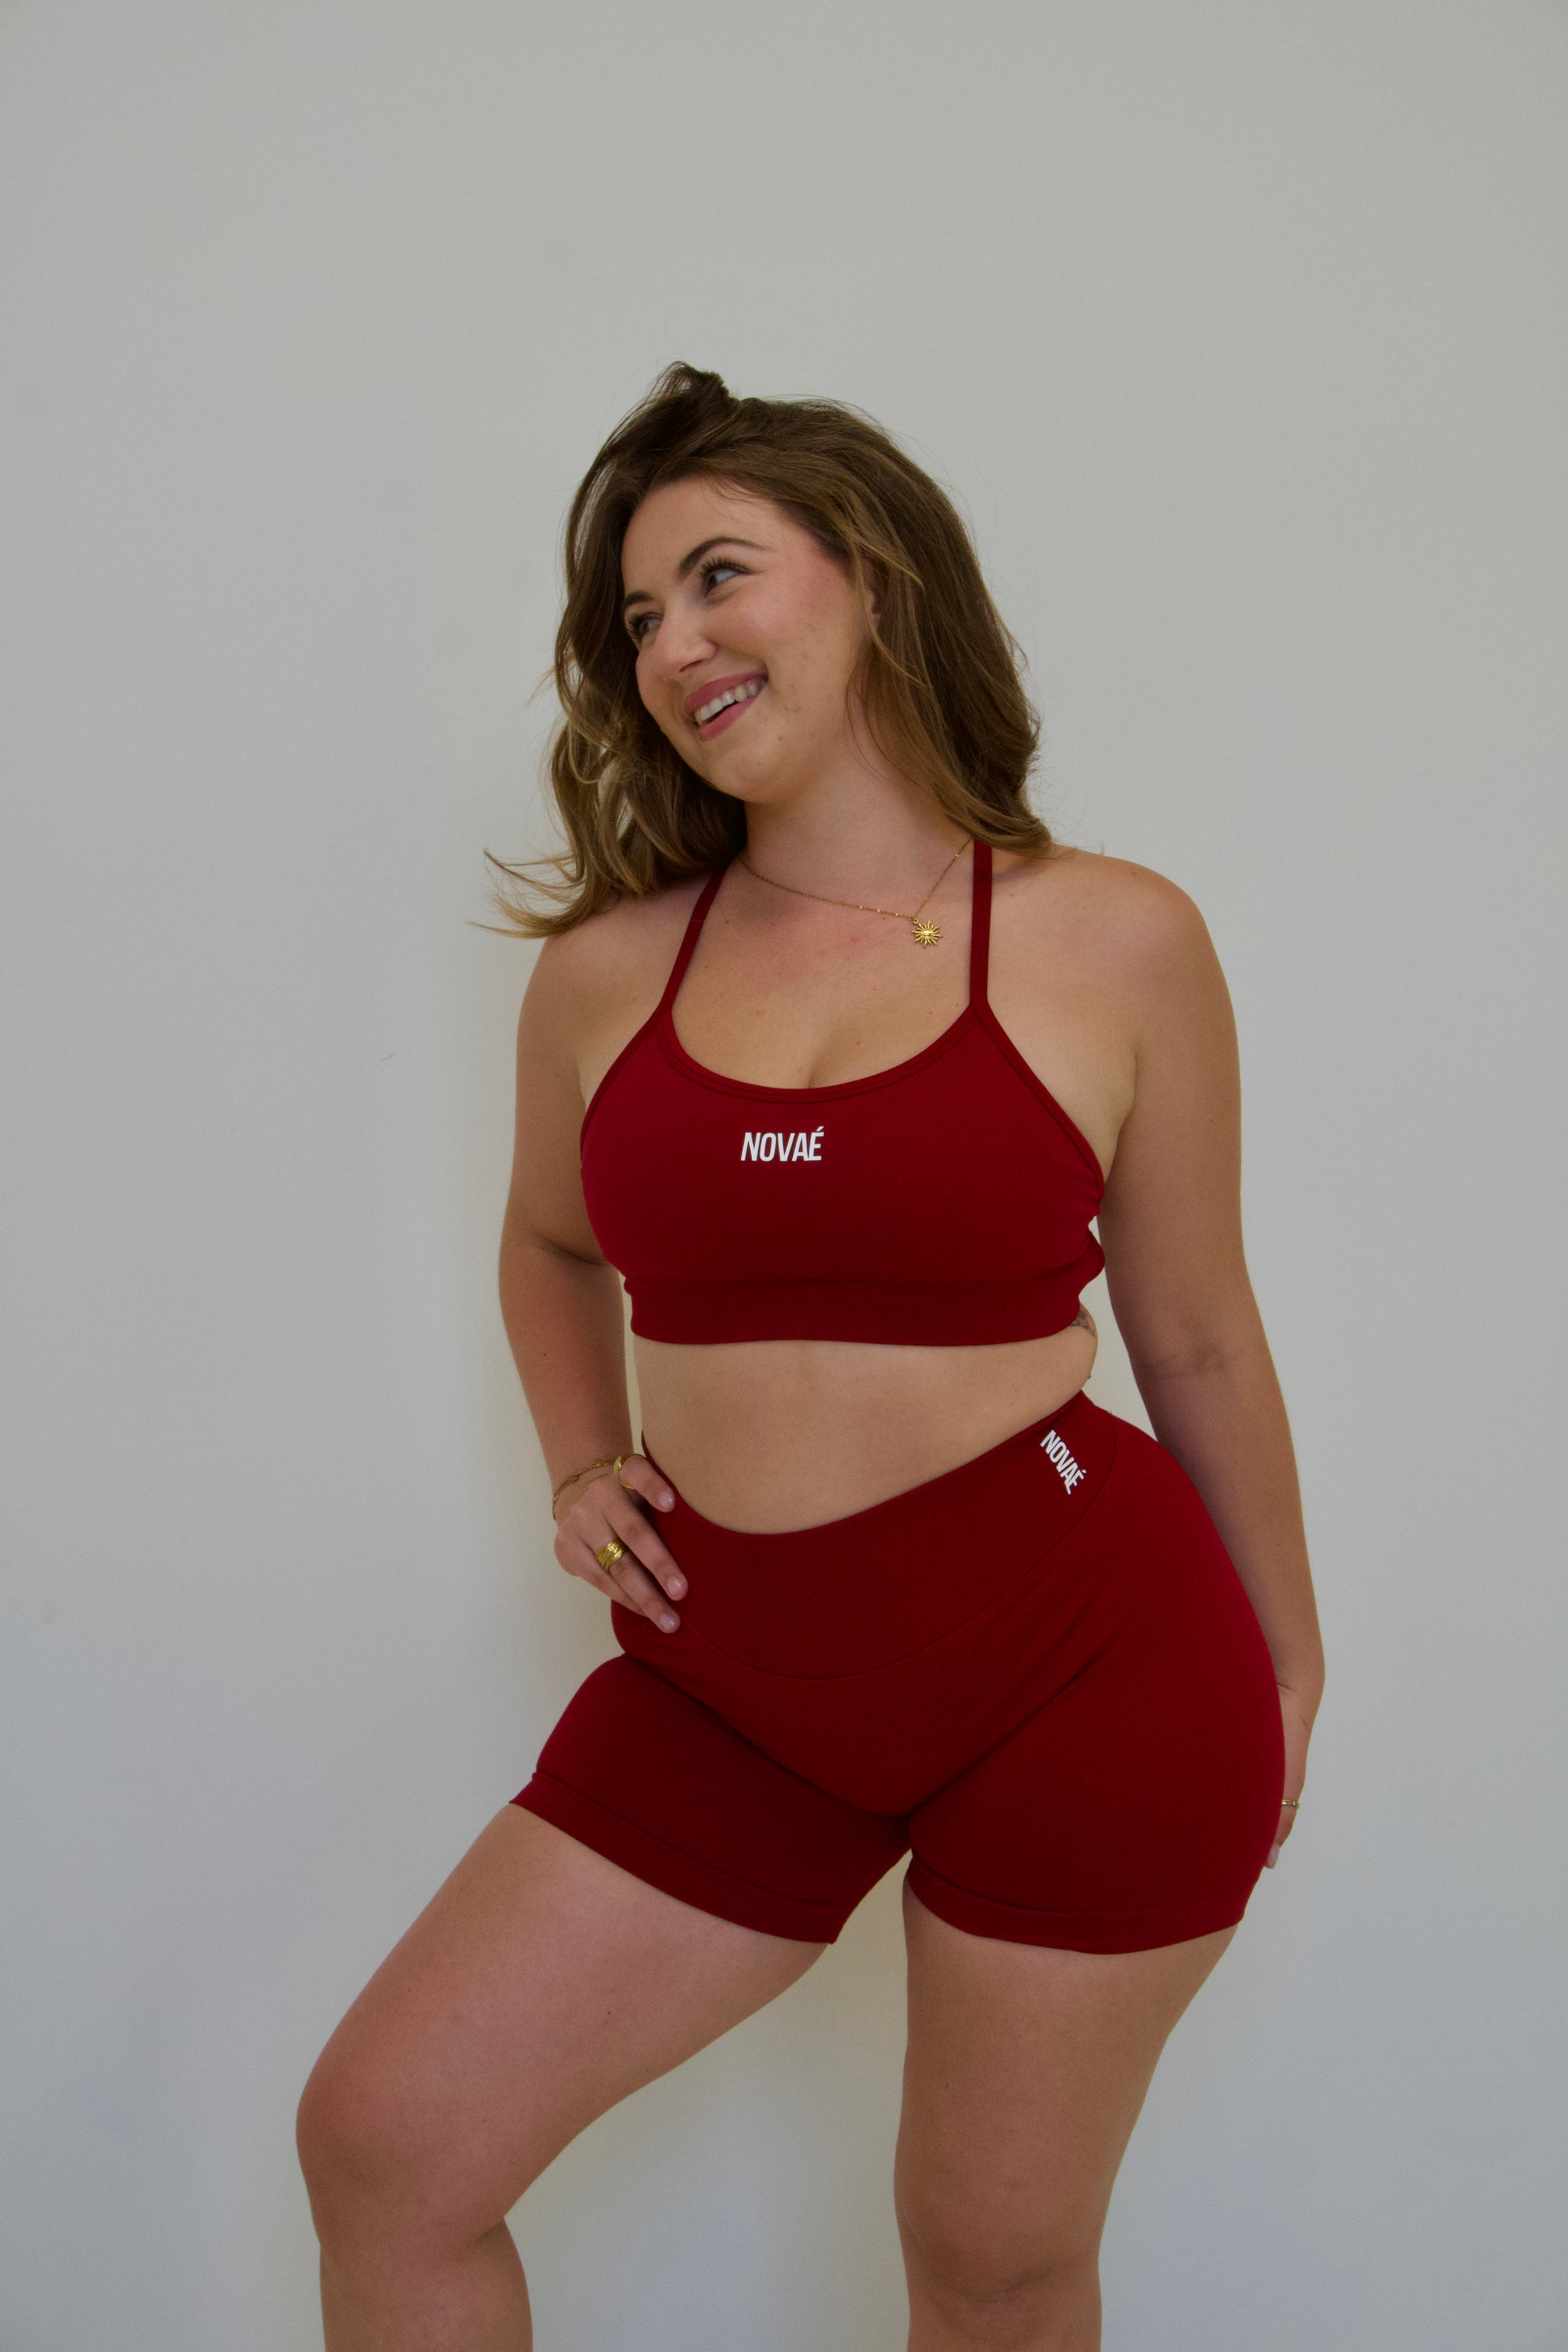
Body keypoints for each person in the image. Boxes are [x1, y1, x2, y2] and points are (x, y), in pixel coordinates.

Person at [297, 363, 1325, 2352]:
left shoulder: (1113, 938)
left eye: (717, 576)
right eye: (635, 617)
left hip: (1086, 1663)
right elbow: (545, 1239)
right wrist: (579, 1456)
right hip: (733, 1675)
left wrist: (1287, 1655)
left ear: (872, 577)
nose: (672, 643)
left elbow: (1195, 1327)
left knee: (989, 2262)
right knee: (388, 2148)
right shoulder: (607, 972)